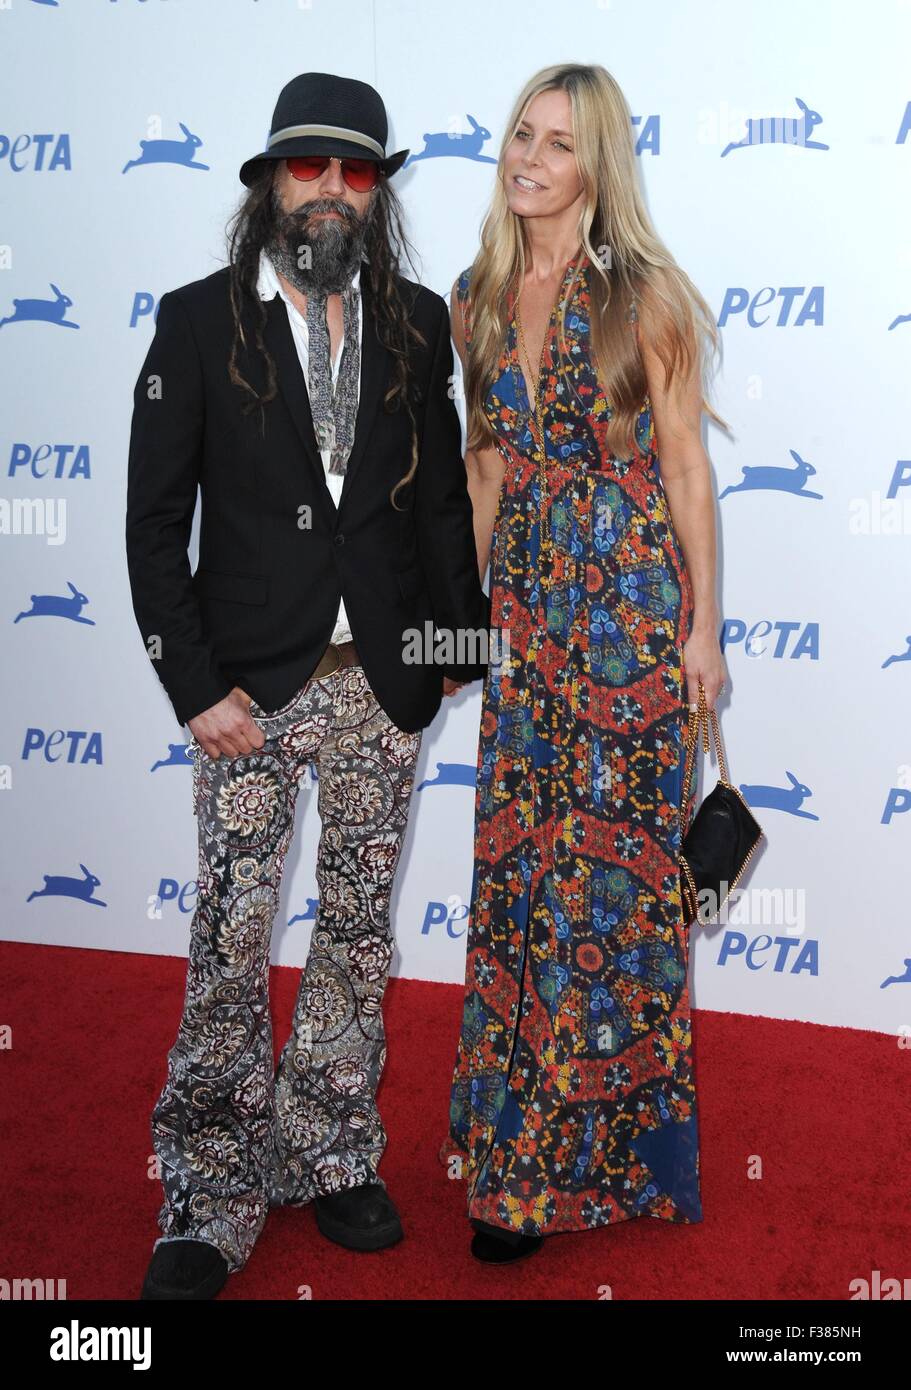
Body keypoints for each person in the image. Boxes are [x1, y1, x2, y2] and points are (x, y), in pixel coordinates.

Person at [126, 71, 489, 1299]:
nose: (329, 190)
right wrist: (193, 689)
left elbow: (439, 503)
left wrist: (450, 656)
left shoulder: (416, 321)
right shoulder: (193, 323)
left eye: (355, 170)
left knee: (353, 930)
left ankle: (331, 1149)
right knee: (229, 937)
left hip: (381, 684)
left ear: (376, 191)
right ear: (268, 182)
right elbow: (149, 524)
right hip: (246, 692)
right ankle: (210, 1186)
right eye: (307, 166)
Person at [444, 62, 729, 1262]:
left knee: (605, 900)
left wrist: (703, 629)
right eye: (518, 134)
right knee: (520, 885)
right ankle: (512, 1151)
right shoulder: (476, 295)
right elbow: (486, 471)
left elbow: (681, 469)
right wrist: (466, 625)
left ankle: (594, 1163)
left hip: (626, 631)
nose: (527, 158)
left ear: (595, 164)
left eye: (556, 144)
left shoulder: (644, 297)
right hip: (524, 630)